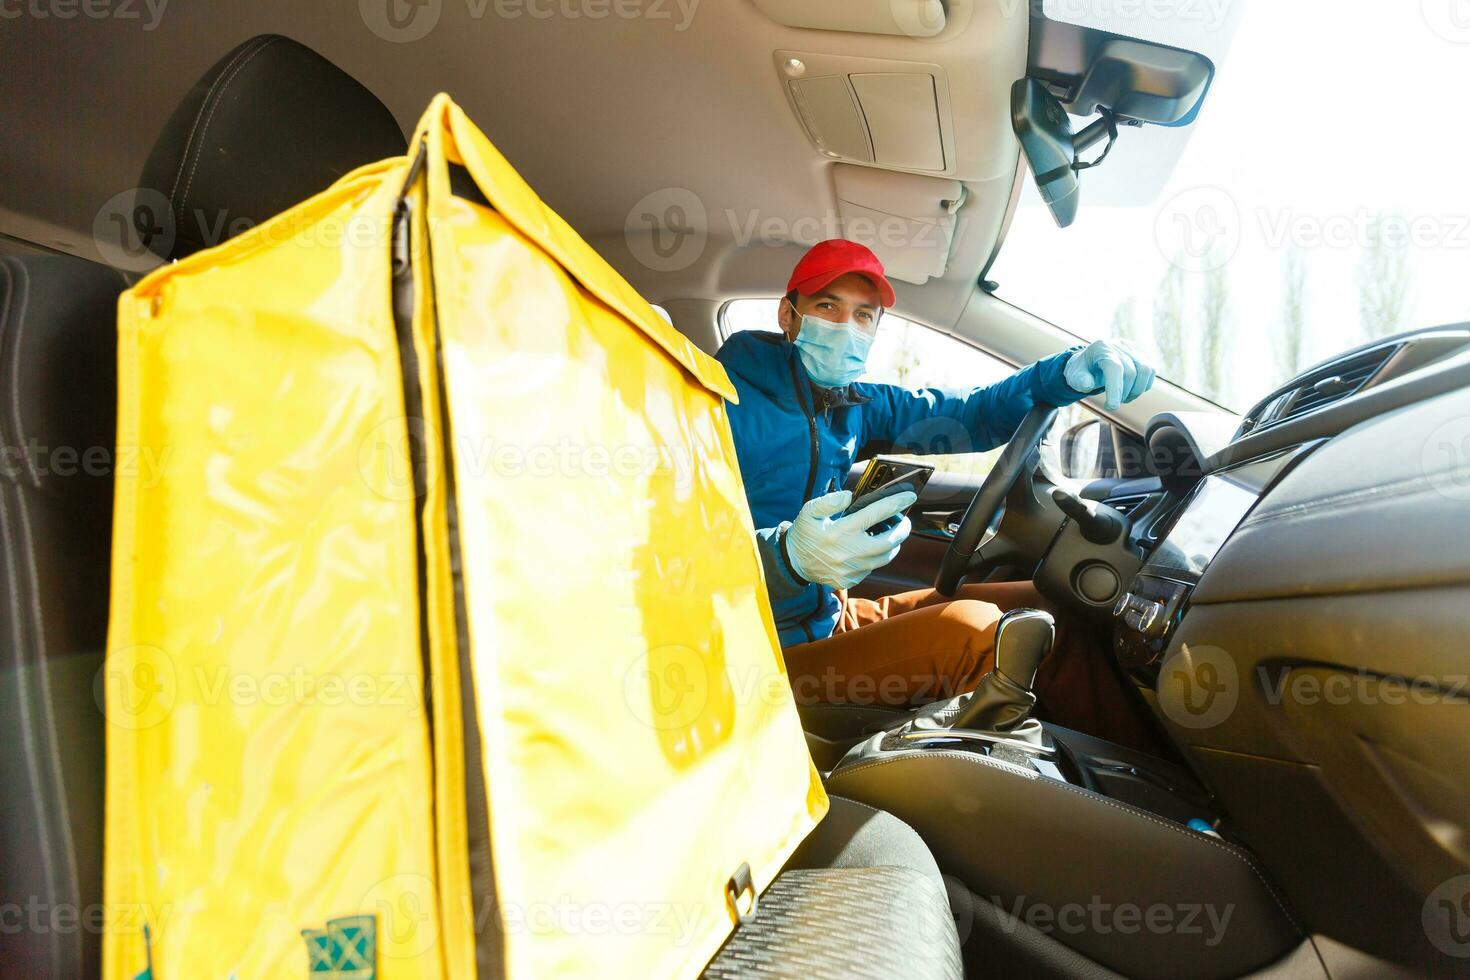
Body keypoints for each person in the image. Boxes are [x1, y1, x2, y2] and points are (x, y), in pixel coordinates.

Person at [715, 239, 1156, 736]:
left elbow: (972, 414)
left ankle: (1148, 781)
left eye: (864, 315)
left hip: (828, 616)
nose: (845, 327)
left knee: (1046, 601)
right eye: (827, 306)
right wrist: (786, 561)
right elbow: (660, 554)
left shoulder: (852, 404)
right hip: (751, 652)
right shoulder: (715, 400)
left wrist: (1063, 376)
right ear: (788, 315)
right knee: (976, 635)